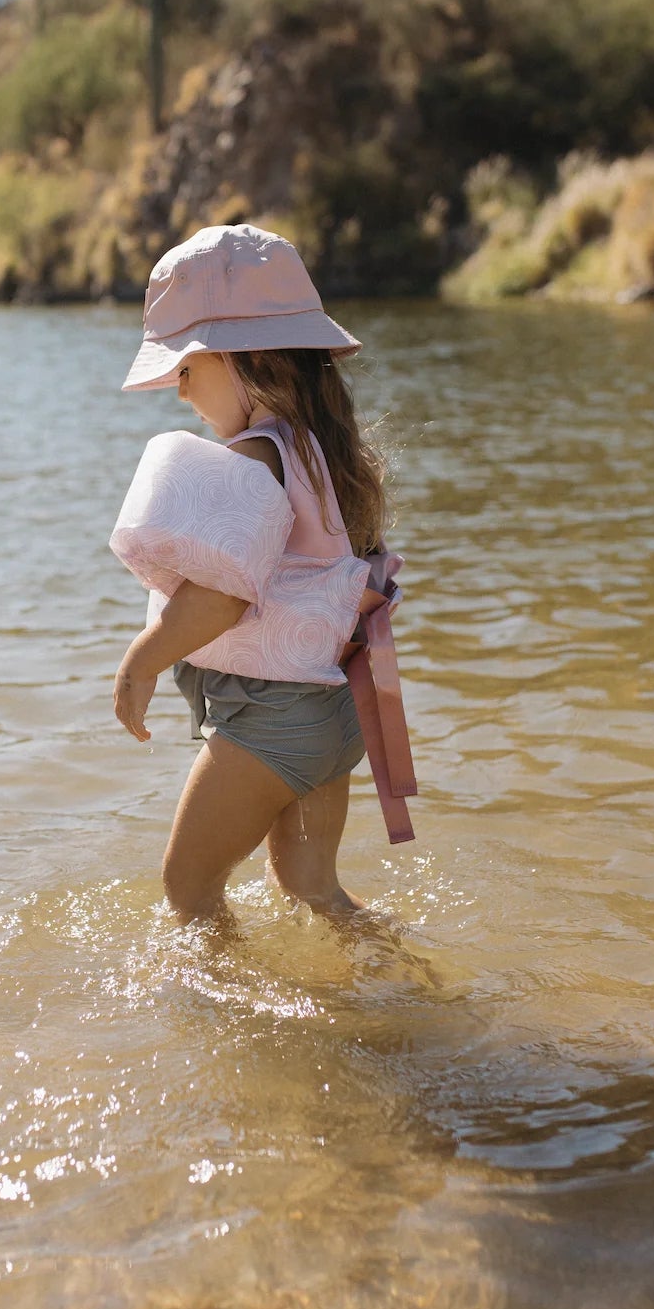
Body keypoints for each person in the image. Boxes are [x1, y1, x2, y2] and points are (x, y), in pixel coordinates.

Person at [111, 223, 408, 926]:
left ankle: (227, 1028)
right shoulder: (321, 452)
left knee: (188, 891)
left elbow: (218, 596)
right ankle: (405, 989)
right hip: (331, 715)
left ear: (246, 359)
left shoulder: (255, 459)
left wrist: (140, 664)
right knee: (313, 889)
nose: (180, 393)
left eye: (187, 369)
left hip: (271, 720)